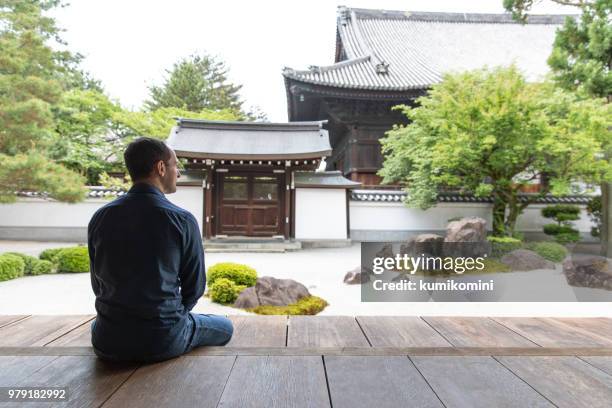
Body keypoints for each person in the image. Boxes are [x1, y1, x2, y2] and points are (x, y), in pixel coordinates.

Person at [88, 137, 233, 362]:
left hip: (107, 340)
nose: (179, 173)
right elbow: (194, 288)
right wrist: (168, 319)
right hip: (163, 340)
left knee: (104, 322)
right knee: (225, 327)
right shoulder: (181, 220)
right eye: (176, 166)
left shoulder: (101, 217)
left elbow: (98, 284)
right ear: (161, 167)